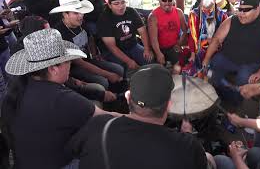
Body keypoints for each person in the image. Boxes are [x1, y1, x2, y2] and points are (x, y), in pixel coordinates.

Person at [0, 29, 117, 169]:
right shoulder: (61, 98)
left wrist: (100, 95)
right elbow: (110, 119)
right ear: (53, 68)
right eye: (67, 61)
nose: (70, 65)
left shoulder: (22, 85)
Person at [70, 64, 219, 169]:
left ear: (128, 98)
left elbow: (74, 150)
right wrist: (186, 134)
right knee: (215, 160)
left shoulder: (98, 125)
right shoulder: (187, 146)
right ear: (169, 105)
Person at [202, 0, 260, 106]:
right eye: (239, 9)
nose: (241, 14)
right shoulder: (232, 20)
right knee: (215, 63)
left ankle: (235, 105)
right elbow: (216, 40)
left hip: (252, 64)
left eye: (245, 10)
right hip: (228, 58)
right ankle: (219, 97)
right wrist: (206, 59)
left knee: (243, 78)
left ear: (257, 9)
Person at [50, 0, 123, 91]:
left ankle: (116, 95)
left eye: (81, 12)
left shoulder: (81, 23)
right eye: (76, 13)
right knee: (102, 81)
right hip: (73, 67)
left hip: (87, 59)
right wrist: (108, 74)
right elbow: (79, 62)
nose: (80, 16)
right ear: (65, 14)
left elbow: (90, 38)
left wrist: (94, 54)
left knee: (118, 69)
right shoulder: (60, 33)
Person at [98, 0, 153, 70]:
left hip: (132, 45)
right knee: (122, 68)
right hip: (113, 51)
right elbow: (112, 47)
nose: (121, 6)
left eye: (123, 2)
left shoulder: (131, 11)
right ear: (109, 5)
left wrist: (147, 49)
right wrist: (129, 61)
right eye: (116, 4)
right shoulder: (104, 18)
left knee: (150, 60)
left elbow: (142, 31)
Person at [148, 0, 187, 73]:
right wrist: (158, 53)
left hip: (173, 47)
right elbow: (153, 39)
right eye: (164, 0)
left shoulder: (179, 12)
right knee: (160, 72)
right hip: (159, 48)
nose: (167, 2)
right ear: (159, 0)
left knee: (178, 69)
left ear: (173, 0)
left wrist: (179, 43)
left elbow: (185, 30)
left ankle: (174, 84)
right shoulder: (153, 16)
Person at [187, 0, 227, 75]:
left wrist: (215, 42)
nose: (206, 12)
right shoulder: (194, 14)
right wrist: (192, 53)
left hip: (216, 49)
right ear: (201, 1)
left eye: (209, 9)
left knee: (212, 74)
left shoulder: (221, 15)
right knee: (197, 72)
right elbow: (192, 35)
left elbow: (225, 35)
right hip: (199, 49)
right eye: (204, 9)